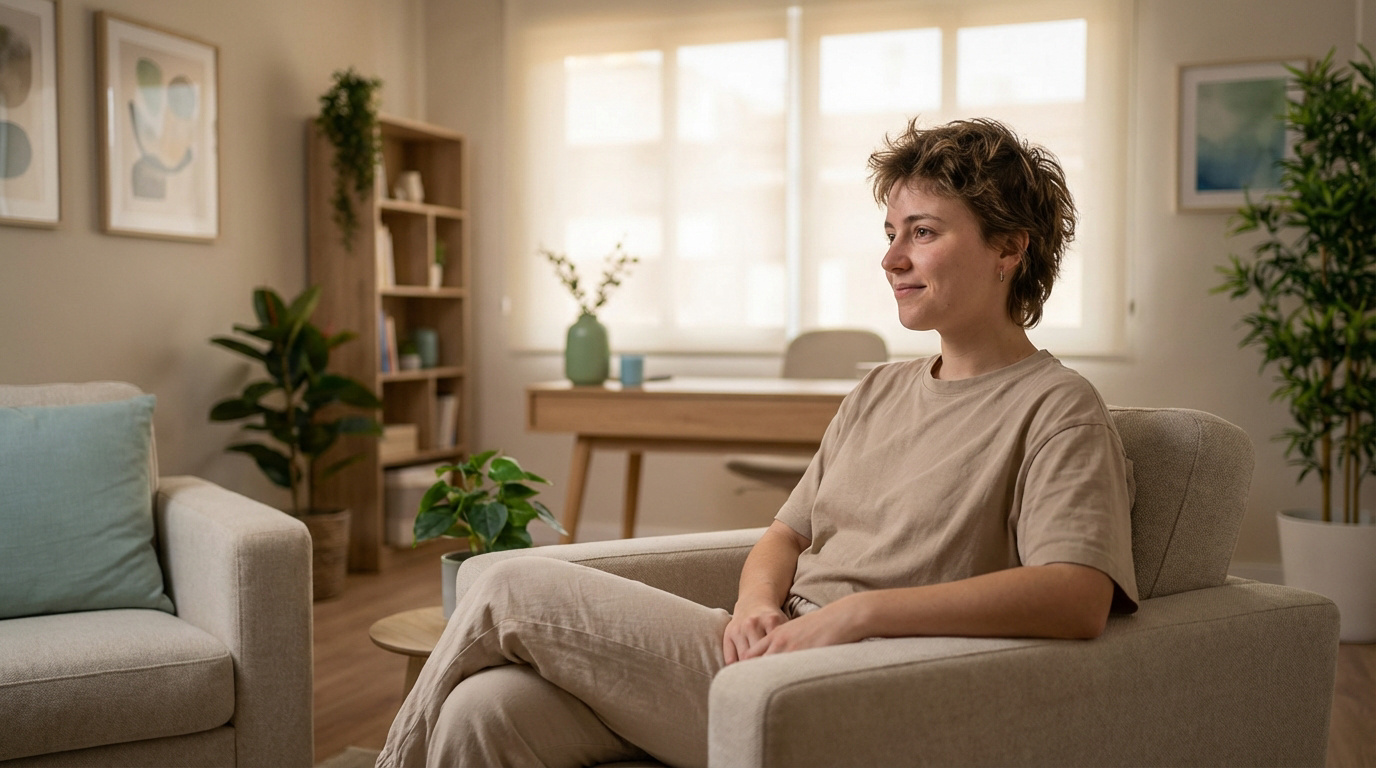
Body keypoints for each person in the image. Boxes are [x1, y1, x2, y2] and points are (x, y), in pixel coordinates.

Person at [376, 117, 1137, 768]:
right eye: (891, 233)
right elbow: (785, 533)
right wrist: (752, 604)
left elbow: (1075, 596)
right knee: (488, 709)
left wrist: (862, 616)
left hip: (860, 679)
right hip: (767, 651)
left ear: (1009, 249)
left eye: (924, 233)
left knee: (506, 583)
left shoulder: (1057, 408)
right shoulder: (880, 389)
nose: (891, 257)